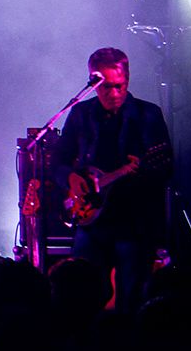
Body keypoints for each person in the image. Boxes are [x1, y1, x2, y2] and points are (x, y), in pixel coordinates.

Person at [52, 47, 172, 313]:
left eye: (119, 86)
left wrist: (141, 172)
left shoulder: (147, 115)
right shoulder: (81, 113)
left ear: (127, 79)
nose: (114, 93)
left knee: (131, 297)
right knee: (82, 295)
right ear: (93, 82)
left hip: (132, 222)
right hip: (91, 222)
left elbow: (165, 167)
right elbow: (58, 160)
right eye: (106, 87)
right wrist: (70, 178)